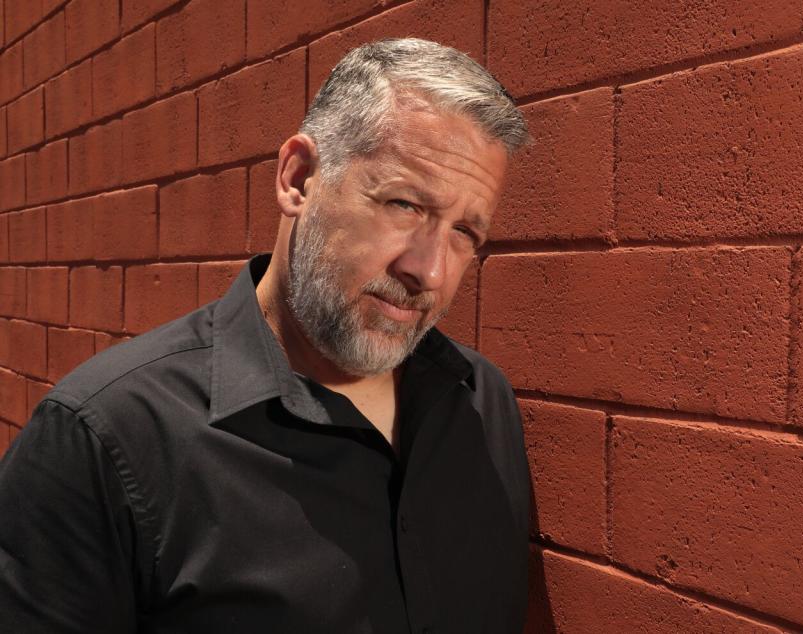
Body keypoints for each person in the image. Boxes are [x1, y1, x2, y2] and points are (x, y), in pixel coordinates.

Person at [0, 38, 531, 633]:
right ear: (299, 179)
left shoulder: (483, 404)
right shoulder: (104, 440)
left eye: (465, 233)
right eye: (404, 204)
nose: (430, 271)